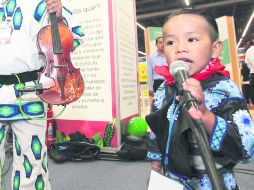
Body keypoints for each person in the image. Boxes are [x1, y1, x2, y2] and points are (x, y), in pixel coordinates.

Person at [146, 9, 254, 190]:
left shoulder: (224, 89)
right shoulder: (164, 90)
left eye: (192, 39)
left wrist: (206, 116)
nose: (180, 48)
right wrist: (156, 169)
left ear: (215, 49)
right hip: (173, 181)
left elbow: (247, 149)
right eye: (170, 42)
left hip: (214, 183)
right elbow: (156, 132)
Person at [0, 0, 83, 189]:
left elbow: (75, 36)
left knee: (32, 162)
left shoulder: (41, 2)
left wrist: (60, 16)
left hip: (29, 92)